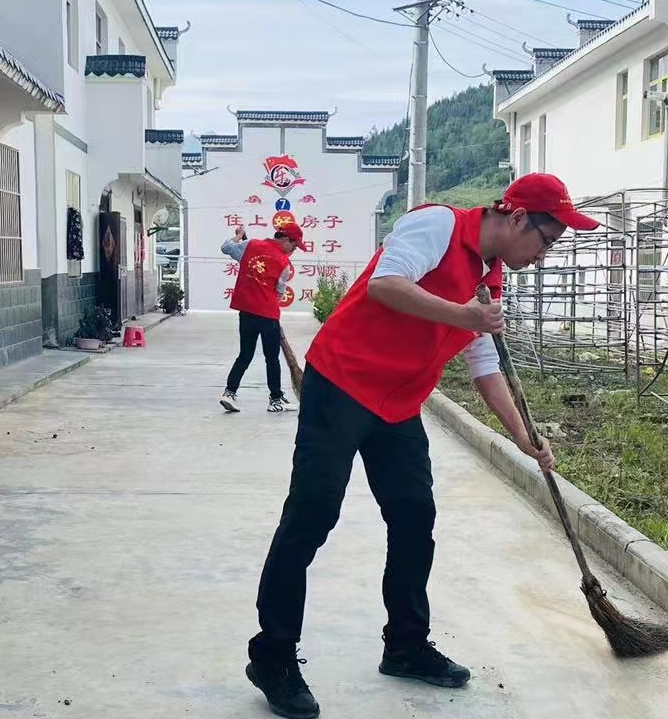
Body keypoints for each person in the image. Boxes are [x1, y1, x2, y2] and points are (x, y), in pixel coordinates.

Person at [243, 174, 599, 719]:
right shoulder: (437, 225)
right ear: (520, 218)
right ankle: (273, 656)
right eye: (546, 240)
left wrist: (525, 439)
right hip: (341, 383)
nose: (544, 254)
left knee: (414, 519)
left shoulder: (490, 282)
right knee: (312, 515)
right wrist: (464, 315)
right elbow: (387, 284)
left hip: (397, 405)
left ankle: (406, 644)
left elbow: (484, 366)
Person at [220, 221, 308, 414]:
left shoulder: (249, 245)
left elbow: (226, 247)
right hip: (268, 315)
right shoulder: (284, 263)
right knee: (272, 358)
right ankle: (275, 400)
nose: (294, 250)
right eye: (294, 245)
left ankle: (229, 393)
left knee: (245, 354)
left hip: (246, 312)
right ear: (285, 239)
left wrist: (239, 235)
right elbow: (278, 293)